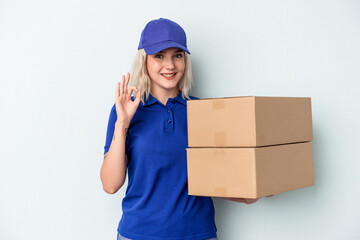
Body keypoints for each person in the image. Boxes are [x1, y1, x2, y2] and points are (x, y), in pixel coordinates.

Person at [100, 18, 261, 240]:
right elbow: (110, 184)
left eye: (177, 55)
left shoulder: (205, 112)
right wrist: (122, 123)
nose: (170, 65)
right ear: (144, 61)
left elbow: (219, 178)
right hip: (139, 234)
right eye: (159, 56)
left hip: (197, 233)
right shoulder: (125, 111)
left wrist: (251, 189)